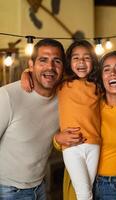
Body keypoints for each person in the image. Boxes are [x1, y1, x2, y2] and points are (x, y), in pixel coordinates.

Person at [54, 50, 116, 200]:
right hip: (85, 181)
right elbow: (63, 134)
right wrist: (57, 139)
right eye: (106, 69)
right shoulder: (89, 103)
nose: (113, 73)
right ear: (100, 77)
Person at [0, 38, 65, 199]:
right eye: (43, 60)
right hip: (7, 190)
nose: (50, 67)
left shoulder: (64, 97)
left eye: (56, 61)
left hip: (40, 189)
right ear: (31, 64)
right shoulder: (7, 96)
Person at [58, 40, 102, 200]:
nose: (81, 62)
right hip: (72, 147)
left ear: (93, 62)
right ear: (69, 62)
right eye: (76, 58)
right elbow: (40, 75)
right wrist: (26, 72)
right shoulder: (61, 84)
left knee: (86, 192)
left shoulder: (98, 86)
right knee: (84, 195)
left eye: (86, 58)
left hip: (94, 145)